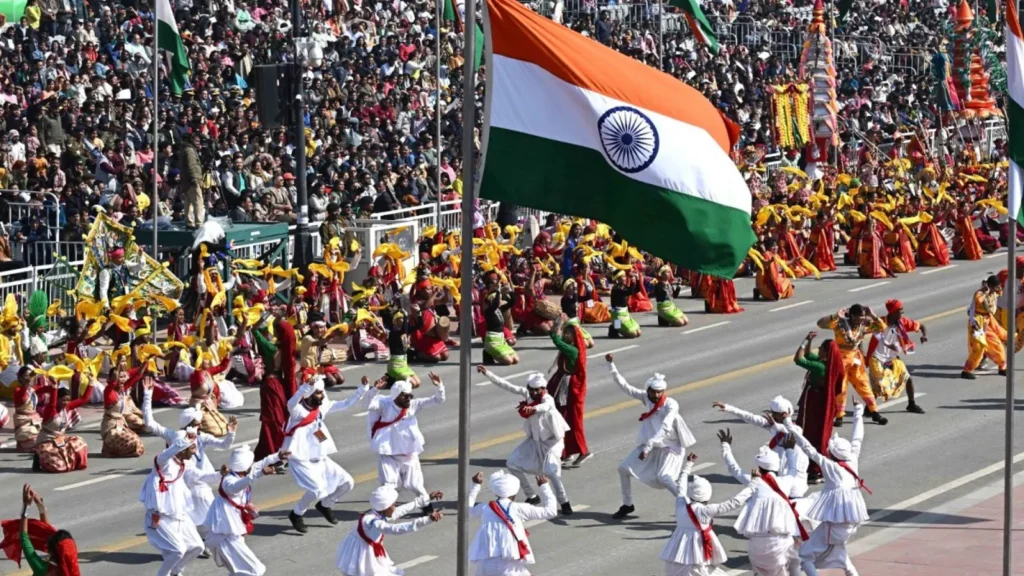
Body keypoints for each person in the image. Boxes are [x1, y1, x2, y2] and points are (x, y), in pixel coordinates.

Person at [142, 380, 238, 554]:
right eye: (196, 423)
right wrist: (147, 396)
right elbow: (150, 424)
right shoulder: (176, 437)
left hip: (200, 482)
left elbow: (224, 445)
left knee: (207, 515)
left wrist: (231, 433)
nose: (199, 426)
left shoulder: (201, 437)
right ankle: (192, 546)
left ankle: (200, 544)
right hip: (182, 484)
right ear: (188, 424)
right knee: (190, 517)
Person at [778, 404, 870, 576]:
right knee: (840, 554)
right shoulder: (852, 460)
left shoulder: (830, 466)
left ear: (833, 452)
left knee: (805, 556)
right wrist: (858, 412)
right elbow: (857, 439)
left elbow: (807, 448)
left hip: (835, 526)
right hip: (851, 524)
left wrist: (788, 423)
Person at [607, 356, 696, 519]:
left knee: (665, 477)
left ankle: (689, 507)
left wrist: (648, 447)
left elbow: (666, 427)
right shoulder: (646, 398)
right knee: (623, 469)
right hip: (652, 445)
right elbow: (624, 386)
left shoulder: (671, 404)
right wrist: (611, 365)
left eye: (659, 392)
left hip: (671, 446)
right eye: (653, 391)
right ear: (648, 390)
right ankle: (627, 505)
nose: (656, 395)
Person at [477, 367, 573, 515]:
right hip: (534, 441)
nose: (533, 393)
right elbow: (507, 385)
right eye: (531, 390)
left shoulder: (548, 399)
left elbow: (546, 406)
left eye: (536, 390)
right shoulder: (528, 395)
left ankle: (564, 502)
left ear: (542, 389)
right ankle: (532, 496)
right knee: (512, 463)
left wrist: (533, 409)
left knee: (551, 472)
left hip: (551, 443)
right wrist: (488, 374)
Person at [286, 375, 375, 534]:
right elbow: (290, 403)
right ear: (309, 393)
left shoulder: (322, 406)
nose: (323, 395)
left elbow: (345, 404)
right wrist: (304, 388)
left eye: (322, 392)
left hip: (321, 457)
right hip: (302, 460)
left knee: (348, 482)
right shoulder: (298, 411)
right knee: (316, 490)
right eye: (319, 392)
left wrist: (362, 389)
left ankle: (325, 504)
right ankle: (296, 514)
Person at [140, 430, 219, 576]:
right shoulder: (164, 463)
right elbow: (165, 455)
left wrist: (221, 474)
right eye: (192, 448)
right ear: (182, 449)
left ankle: (176, 570)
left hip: (179, 514)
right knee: (177, 551)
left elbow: (201, 476)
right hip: (160, 516)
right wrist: (183, 441)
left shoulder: (185, 464)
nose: (194, 452)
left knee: (197, 547)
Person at [203, 445, 289, 576]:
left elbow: (259, 465)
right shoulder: (229, 480)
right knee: (255, 571)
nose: (252, 466)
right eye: (250, 464)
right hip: (225, 535)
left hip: (232, 531)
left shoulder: (240, 473)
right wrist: (260, 474)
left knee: (241, 571)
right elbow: (236, 487)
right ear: (245, 466)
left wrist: (277, 456)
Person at [661, 456, 752, 576]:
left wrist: (688, 465)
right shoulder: (705, 511)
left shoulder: (681, 504)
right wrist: (753, 486)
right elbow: (733, 503)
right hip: (697, 562)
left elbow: (680, 488)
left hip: (676, 557)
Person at [366, 374, 446, 511]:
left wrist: (439, 386)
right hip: (389, 455)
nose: (409, 398)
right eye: (405, 396)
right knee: (389, 485)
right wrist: (374, 390)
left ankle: (427, 509)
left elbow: (438, 400)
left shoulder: (413, 405)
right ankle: (383, 510)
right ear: (395, 396)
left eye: (410, 395)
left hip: (409, 455)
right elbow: (367, 404)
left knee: (416, 486)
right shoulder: (384, 405)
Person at [710, 396, 808, 498]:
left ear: (784, 415)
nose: (771, 416)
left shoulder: (795, 430)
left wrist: (775, 426)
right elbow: (750, 417)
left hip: (794, 481)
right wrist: (727, 408)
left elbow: (788, 430)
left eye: (774, 413)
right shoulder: (774, 425)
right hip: (783, 479)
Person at [335, 485, 444, 576]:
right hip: (360, 554)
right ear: (385, 506)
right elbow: (395, 529)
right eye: (393, 504)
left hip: (369, 551)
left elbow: (403, 509)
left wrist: (427, 498)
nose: (395, 506)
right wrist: (427, 520)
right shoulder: (372, 521)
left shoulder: (380, 513)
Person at [732, 447, 806, 576]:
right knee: (795, 565)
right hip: (782, 541)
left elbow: (735, 470)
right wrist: (789, 450)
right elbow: (793, 470)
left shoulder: (754, 482)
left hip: (756, 543)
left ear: (759, 468)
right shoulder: (786, 481)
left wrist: (725, 447)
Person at [467, 469, 558, 576]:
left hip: (485, 565)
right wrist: (545, 487)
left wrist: (475, 486)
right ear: (514, 492)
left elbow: (467, 510)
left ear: (496, 492)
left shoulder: (485, 508)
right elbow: (551, 511)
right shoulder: (519, 508)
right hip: (510, 566)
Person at [816, 305, 889, 426]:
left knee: (864, 385)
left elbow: (883, 328)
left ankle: (874, 412)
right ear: (852, 315)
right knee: (841, 387)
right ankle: (839, 416)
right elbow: (820, 323)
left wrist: (872, 315)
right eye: (859, 317)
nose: (861, 319)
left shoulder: (864, 324)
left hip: (855, 358)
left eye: (863, 317)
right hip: (840, 359)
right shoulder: (839, 324)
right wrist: (835, 315)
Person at [793, 332, 845, 484]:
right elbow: (809, 354)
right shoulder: (827, 364)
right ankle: (816, 468)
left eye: (821, 348)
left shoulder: (820, 367)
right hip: (819, 402)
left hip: (814, 403)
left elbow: (798, 359)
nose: (818, 350)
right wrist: (809, 340)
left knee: (809, 433)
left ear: (826, 352)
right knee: (817, 434)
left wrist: (803, 342)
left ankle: (814, 470)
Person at [867, 299, 927, 413]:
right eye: (900, 311)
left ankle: (911, 404)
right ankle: (868, 409)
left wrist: (924, 335)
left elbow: (921, 326)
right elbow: (864, 331)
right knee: (879, 386)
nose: (902, 313)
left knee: (908, 379)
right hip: (877, 359)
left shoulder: (902, 322)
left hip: (893, 359)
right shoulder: (880, 323)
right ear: (892, 312)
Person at [546, 316, 591, 467]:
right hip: (562, 383)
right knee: (562, 419)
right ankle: (567, 452)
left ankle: (582, 451)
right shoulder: (569, 349)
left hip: (567, 387)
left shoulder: (572, 350)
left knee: (566, 420)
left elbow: (556, 341)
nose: (565, 335)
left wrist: (556, 325)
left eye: (568, 334)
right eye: (564, 332)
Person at [15, 484, 81, 576]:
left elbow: (24, 538)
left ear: (51, 551)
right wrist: (41, 507)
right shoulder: (72, 570)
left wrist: (26, 506)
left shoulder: (43, 569)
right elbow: (47, 533)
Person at [34, 387, 89, 473]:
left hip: (59, 440)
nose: (66, 403)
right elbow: (52, 403)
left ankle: (72, 463)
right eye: (63, 400)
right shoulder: (50, 410)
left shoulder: (66, 408)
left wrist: (91, 383)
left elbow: (84, 399)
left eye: (68, 400)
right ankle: (39, 458)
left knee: (80, 442)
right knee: (59, 466)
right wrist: (54, 387)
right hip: (46, 441)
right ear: (57, 399)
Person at [963, 275, 1008, 379]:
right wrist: (986, 291)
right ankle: (966, 371)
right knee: (979, 347)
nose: (999, 288)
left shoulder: (994, 294)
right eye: (997, 287)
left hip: (988, 323)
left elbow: (1000, 292)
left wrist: (995, 288)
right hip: (977, 323)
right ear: (991, 287)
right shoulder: (979, 293)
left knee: (997, 345)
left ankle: (1002, 368)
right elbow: (978, 301)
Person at [100, 363, 147, 457]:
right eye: (119, 377)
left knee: (138, 443)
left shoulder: (122, 389)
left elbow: (137, 376)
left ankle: (111, 450)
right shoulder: (108, 391)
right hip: (111, 428)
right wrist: (116, 371)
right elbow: (113, 382)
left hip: (121, 424)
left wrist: (146, 361)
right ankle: (110, 448)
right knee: (133, 444)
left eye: (122, 377)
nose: (121, 379)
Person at [189, 351, 232, 437]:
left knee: (224, 426)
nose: (208, 361)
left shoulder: (208, 371)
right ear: (200, 361)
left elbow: (221, 367)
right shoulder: (195, 375)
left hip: (209, 403)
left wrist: (226, 357)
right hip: (198, 404)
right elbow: (197, 373)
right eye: (205, 359)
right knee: (211, 429)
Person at [608, 271, 641, 338]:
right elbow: (629, 292)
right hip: (618, 315)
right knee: (633, 334)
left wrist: (637, 279)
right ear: (618, 279)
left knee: (638, 332)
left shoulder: (624, 287)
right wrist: (632, 282)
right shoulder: (616, 289)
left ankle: (616, 327)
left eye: (625, 276)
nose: (625, 278)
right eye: (623, 277)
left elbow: (636, 290)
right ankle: (614, 328)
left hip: (625, 314)